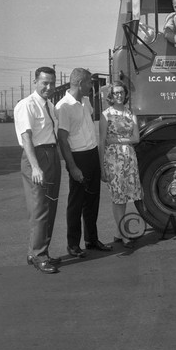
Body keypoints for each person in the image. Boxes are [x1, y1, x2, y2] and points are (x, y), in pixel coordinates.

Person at [56, 68, 112, 258]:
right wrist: (72, 167)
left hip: (92, 154)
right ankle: (73, 245)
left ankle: (91, 240)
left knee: (92, 201)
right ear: (80, 84)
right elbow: (62, 139)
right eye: (89, 83)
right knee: (76, 203)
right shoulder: (63, 107)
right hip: (78, 157)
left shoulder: (86, 101)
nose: (91, 86)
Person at [14, 66, 62, 274]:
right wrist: (35, 166)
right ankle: (39, 255)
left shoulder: (50, 105)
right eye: (45, 83)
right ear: (35, 82)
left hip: (52, 154)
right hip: (37, 157)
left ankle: (38, 251)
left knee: (50, 206)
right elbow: (26, 137)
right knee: (39, 208)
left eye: (52, 83)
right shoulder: (27, 105)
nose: (49, 87)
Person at [99, 81, 142, 247]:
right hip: (113, 160)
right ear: (111, 95)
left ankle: (118, 232)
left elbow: (136, 138)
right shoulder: (106, 115)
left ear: (125, 95)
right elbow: (102, 141)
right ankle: (124, 235)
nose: (119, 95)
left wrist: (116, 139)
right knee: (118, 198)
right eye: (116, 92)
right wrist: (102, 166)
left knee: (125, 197)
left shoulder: (131, 115)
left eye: (121, 92)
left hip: (129, 158)